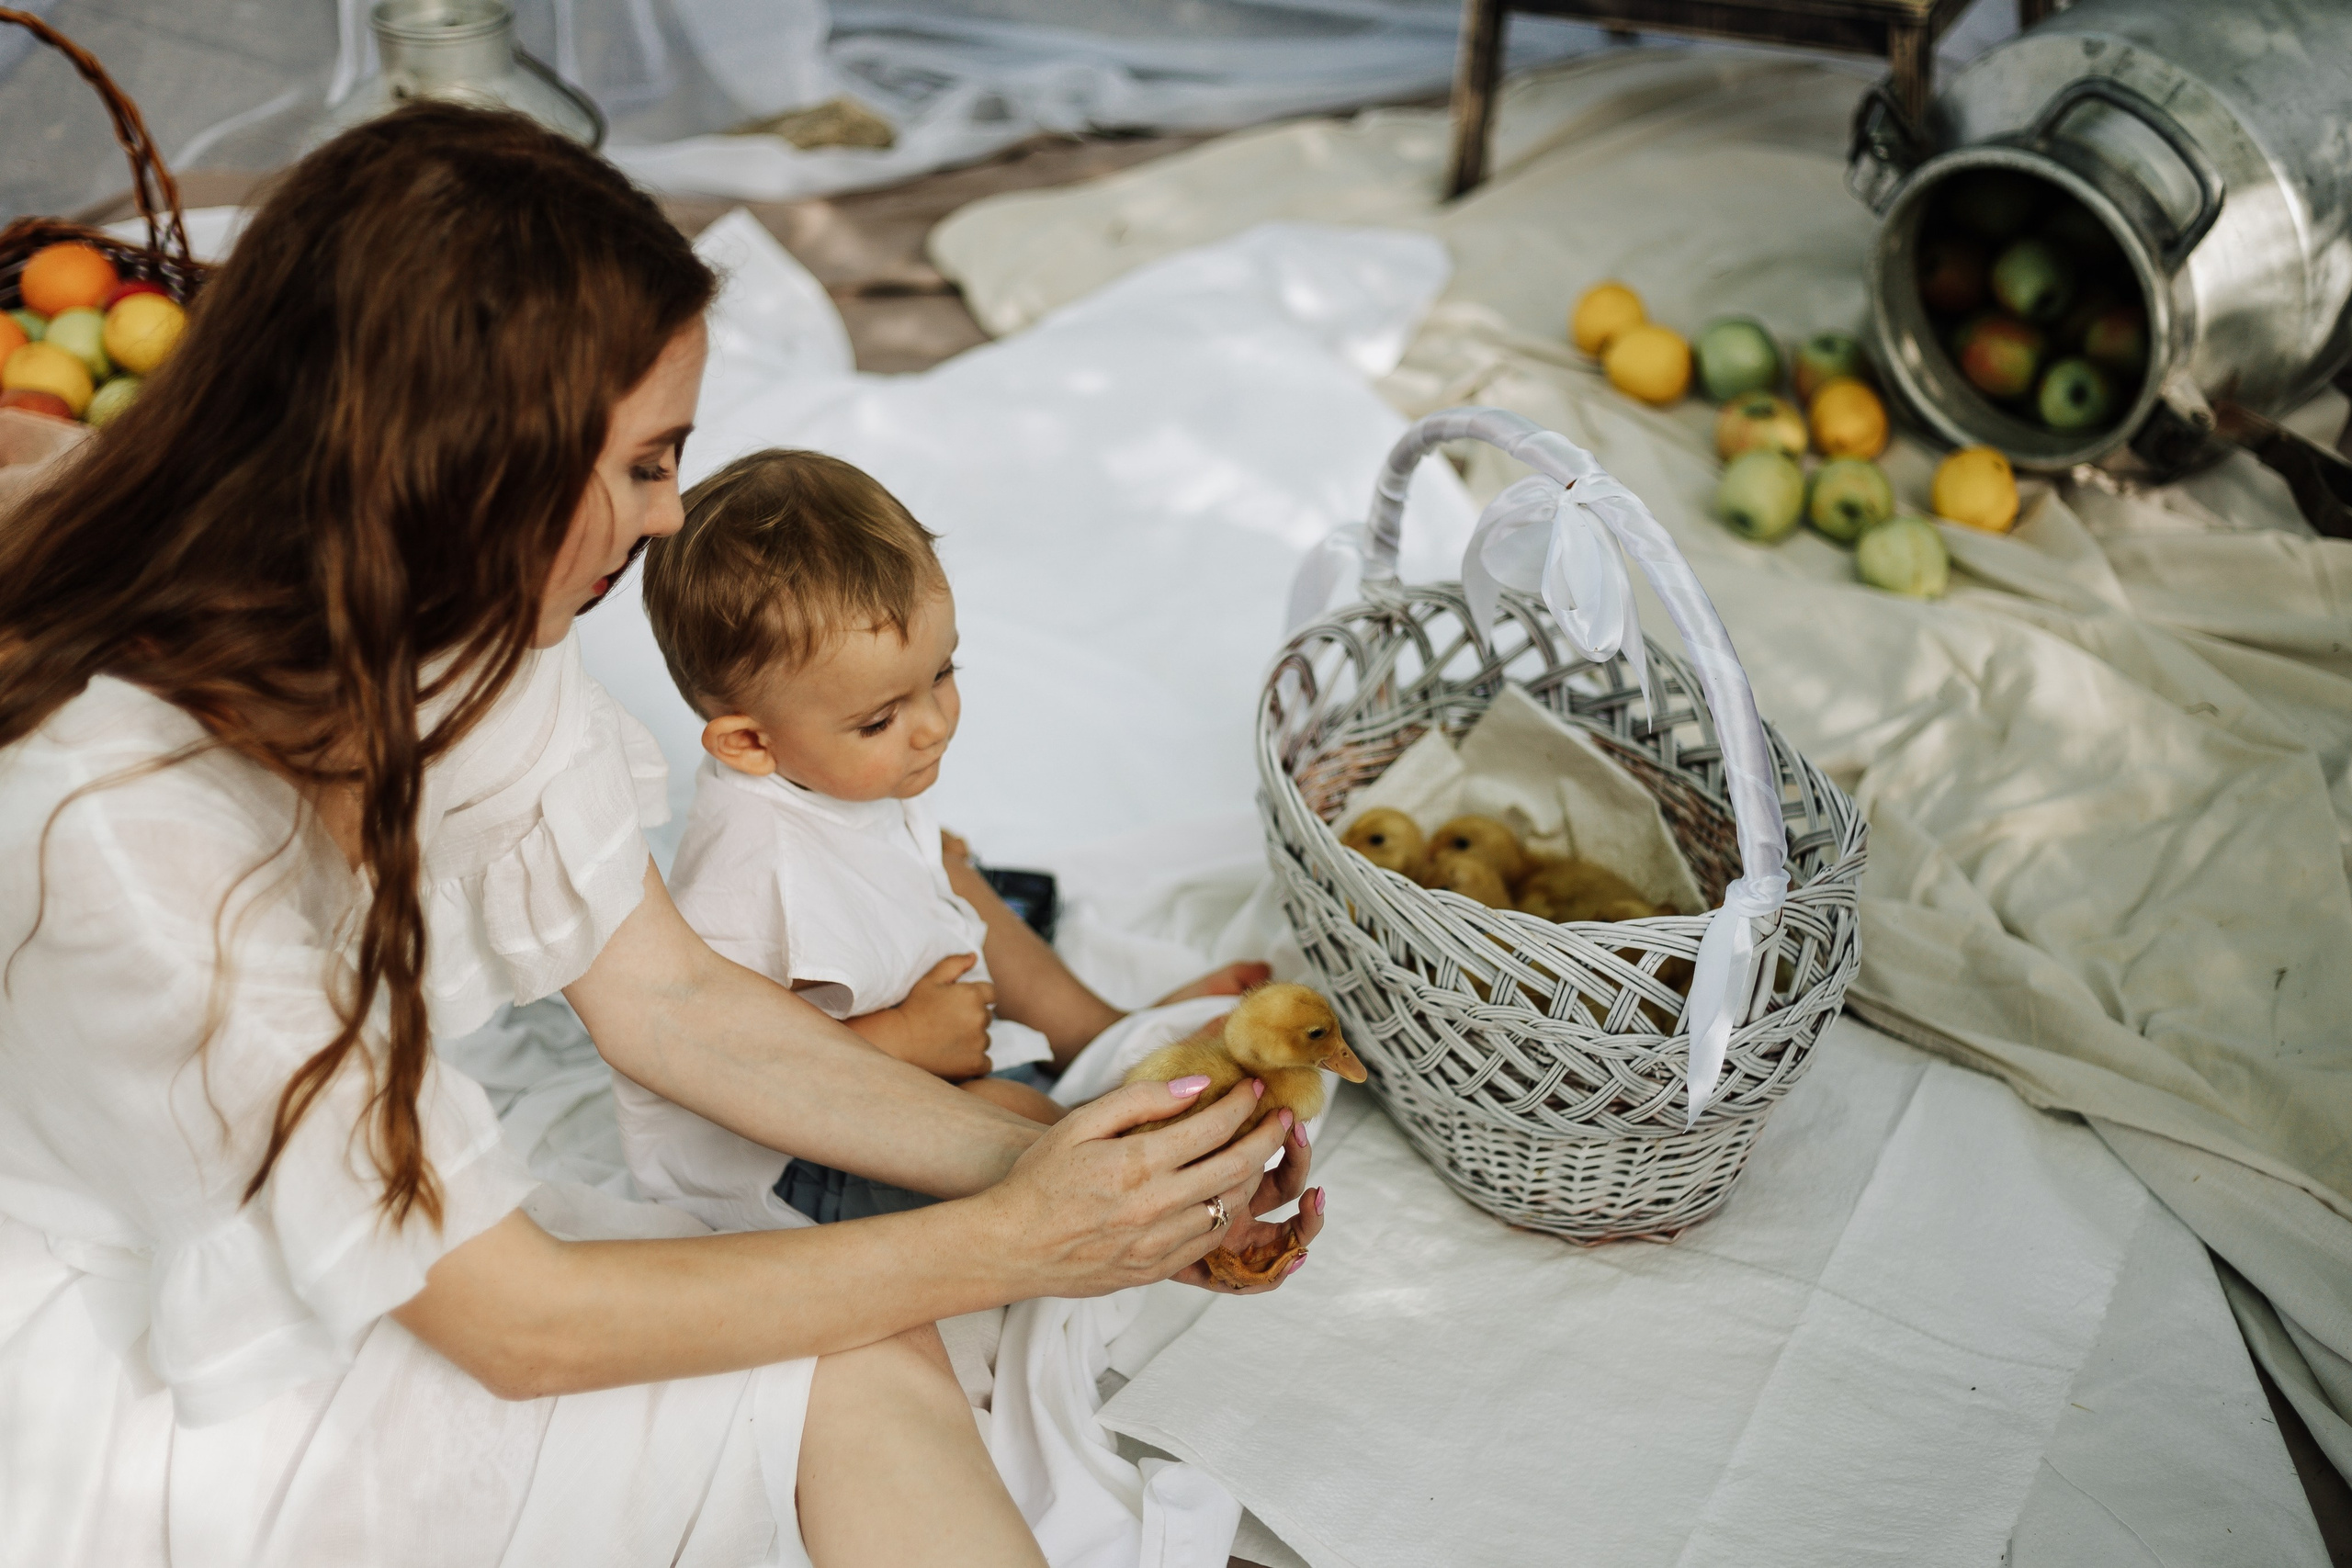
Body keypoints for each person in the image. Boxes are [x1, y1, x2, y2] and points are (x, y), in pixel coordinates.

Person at [0, 104, 1320, 1566]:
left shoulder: (440, 608)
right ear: (469, 462)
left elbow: (670, 996)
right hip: (165, 1358)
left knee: (871, 1347)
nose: (673, 510)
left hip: (415, 1268)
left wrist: (1086, 1167)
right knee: (861, 1342)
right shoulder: (121, 826)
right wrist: (1017, 1235)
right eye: (645, 463)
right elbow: (518, 1321)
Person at [612, 446, 1273, 1229]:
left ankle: (1098, 1034)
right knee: (1014, 1111)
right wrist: (899, 1041)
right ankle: (1124, 1160)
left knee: (966, 879)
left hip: (914, 1051)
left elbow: (895, 868)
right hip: (796, 1162)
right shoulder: (747, 882)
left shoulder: (824, 776)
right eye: (880, 720)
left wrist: (923, 861)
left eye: (943, 672)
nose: (932, 726)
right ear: (750, 745)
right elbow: (729, 1067)